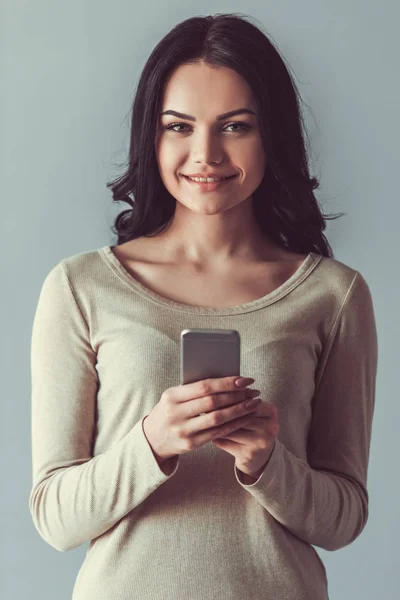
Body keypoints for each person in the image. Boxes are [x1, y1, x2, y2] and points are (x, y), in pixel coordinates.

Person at [29, 12, 378, 600]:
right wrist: (153, 442)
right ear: (153, 135)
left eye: (235, 126)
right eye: (179, 126)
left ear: (273, 135)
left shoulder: (332, 295)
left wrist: (269, 464)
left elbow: (343, 519)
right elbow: (55, 518)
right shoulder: (80, 287)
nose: (206, 154)